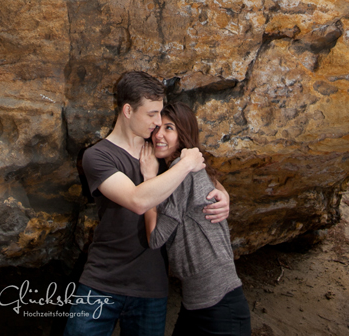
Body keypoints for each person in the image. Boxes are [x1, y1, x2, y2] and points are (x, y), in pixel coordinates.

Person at [63, 71, 231, 336]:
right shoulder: (97, 156)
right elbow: (137, 200)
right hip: (102, 281)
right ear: (128, 110)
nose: (157, 122)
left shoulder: (160, 150)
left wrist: (223, 192)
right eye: (152, 114)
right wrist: (185, 164)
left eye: (160, 113)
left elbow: (201, 172)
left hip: (151, 287)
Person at [144, 102, 251, 336]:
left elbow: (155, 237)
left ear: (183, 136)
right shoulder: (180, 172)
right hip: (196, 304)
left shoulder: (185, 171)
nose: (159, 135)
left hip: (220, 308)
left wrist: (148, 179)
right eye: (157, 128)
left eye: (169, 128)